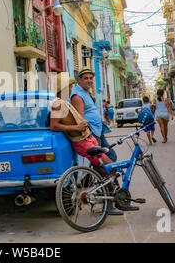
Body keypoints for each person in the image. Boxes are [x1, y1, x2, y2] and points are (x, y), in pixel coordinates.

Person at [50, 72, 127, 215]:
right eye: (70, 86)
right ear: (64, 88)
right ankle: (109, 205)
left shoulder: (64, 102)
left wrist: (82, 123)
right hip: (82, 141)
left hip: (87, 137)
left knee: (108, 167)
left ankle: (114, 200)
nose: (72, 88)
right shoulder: (57, 104)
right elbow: (54, 126)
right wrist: (76, 127)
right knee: (107, 168)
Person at [70, 68, 118, 163]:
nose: (89, 81)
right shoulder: (77, 96)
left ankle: (96, 176)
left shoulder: (87, 93)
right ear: (79, 80)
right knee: (102, 160)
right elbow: (79, 119)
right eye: (86, 78)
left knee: (108, 157)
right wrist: (87, 136)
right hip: (91, 132)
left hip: (98, 130)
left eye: (91, 78)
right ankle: (102, 177)